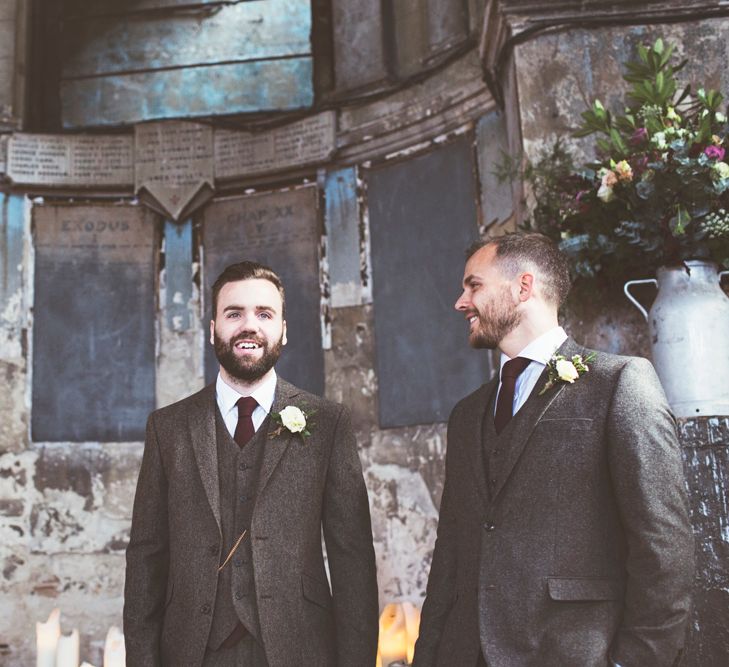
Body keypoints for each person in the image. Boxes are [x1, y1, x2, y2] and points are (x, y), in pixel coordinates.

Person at [412, 233, 694, 667]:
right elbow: (449, 556)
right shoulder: (466, 416)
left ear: (522, 287)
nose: (460, 302)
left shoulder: (619, 383)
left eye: (474, 285)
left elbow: (663, 547)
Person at [124, 261, 379, 667]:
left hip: (300, 648)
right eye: (234, 313)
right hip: (192, 651)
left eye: (264, 314)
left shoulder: (329, 423)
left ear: (283, 329)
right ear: (212, 329)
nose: (249, 326)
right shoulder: (168, 428)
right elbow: (145, 557)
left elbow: (353, 561)